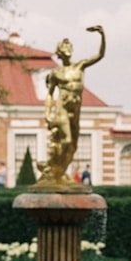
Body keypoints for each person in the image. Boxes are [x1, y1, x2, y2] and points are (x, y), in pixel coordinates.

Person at [35, 25, 106, 186]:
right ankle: (55, 172)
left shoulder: (80, 66)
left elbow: (100, 55)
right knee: (66, 140)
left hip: (76, 110)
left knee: (73, 145)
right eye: (64, 47)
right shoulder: (56, 73)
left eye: (69, 46)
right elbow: (50, 94)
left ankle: (59, 173)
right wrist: (47, 113)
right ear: (59, 52)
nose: (67, 48)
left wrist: (102, 35)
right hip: (62, 110)